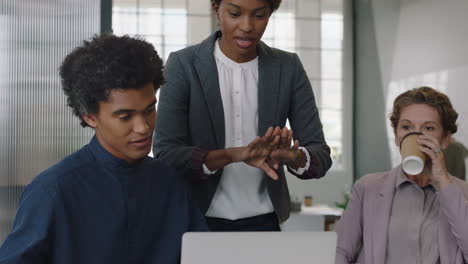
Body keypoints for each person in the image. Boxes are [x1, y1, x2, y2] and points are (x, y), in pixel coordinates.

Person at [0, 35, 207, 264]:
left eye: (149, 110)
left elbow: (201, 254)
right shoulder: (53, 191)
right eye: (125, 116)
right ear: (90, 117)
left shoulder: (168, 182)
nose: (143, 127)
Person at [154, 0, 332, 231]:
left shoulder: (288, 67)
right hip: (196, 219)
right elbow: (166, 154)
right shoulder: (183, 65)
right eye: (235, 13)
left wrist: (293, 156)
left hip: (265, 221)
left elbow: (321, 156)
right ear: (216, 9)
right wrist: (231, 155)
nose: (247, 26)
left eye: (259, 15)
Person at [335, 87, 468, 264]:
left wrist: (443, 180)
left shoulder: (461, 193)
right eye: (406, 127)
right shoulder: (368, 188)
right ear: (397, 136)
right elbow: (341, 251)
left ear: (445, 139)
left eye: (428, 128)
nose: (417, 134)